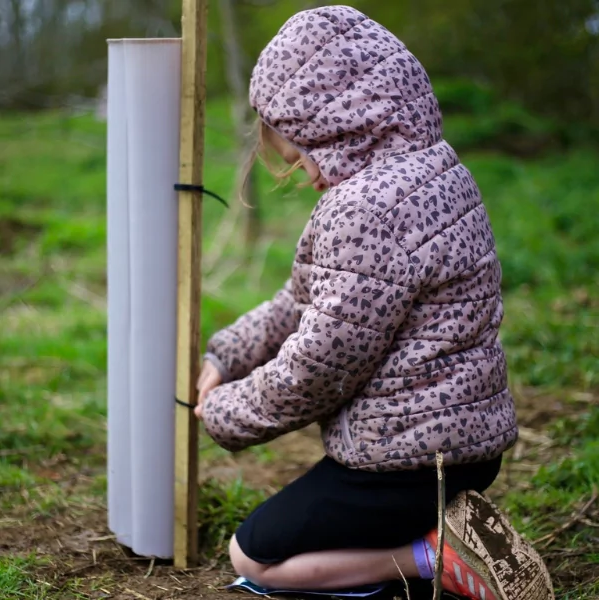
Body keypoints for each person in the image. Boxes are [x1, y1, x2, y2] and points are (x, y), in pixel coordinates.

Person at [195, 6, 553, 600]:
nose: (307, 176)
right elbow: (302, 300)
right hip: (465, 445)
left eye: (302, 156)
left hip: (406, 463)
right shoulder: (436, 168)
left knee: (254, 556)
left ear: (337, 125)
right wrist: (229, 354)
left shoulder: (365, 209)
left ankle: (430, 556)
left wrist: (229, 411)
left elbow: (319, 367)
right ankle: (444, 526)